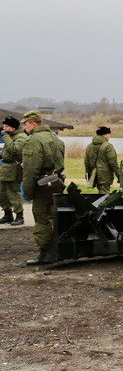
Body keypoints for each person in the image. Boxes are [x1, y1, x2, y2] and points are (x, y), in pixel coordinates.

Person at [20, 110, 66, 265]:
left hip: (41, 185)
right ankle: (57, 249)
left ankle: (45, 253)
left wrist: (27, 192)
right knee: (55, 216)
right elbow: (60, 165)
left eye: (25, 124)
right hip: (55, 182)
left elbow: (31, 170)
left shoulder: (34, 141)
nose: (24, 128)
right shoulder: (56, 139)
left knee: (42, 219)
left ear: (33, 123)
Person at [0, 116, 28, 226]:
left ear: (13, 127)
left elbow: (15, 149)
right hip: (5, 168)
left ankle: (19, 216)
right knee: (2, 193)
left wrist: (5, 137)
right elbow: (8, 152)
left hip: (14, 169)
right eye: (4, 126)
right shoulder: (11, 136)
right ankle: (8, 214)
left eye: (6, 126)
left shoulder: (21, 137)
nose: (4, 128)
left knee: (13, 193)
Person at [84, 126, 121, 194]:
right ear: (105, 135)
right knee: (104, 196)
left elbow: (86, 161)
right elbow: (113, 162)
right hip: (105, 175)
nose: (109, 136)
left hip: (93, 174)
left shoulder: (89, 146)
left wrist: (88, 174)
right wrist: (119, 175)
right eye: (108, 134)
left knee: (100, 194)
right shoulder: (108, 146)